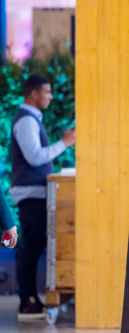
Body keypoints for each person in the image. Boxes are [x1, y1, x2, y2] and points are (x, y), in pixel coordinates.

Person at [10, 75, 75, 317]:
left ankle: (29, 298)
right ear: (34, 94)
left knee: (35, 245)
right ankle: (26, 300)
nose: (50, 96)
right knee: (32, 246)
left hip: (36, 191)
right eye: (46, 92)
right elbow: (35, 157)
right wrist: (65, 143)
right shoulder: (26, 121)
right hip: (30, 193)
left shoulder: (32, 118)